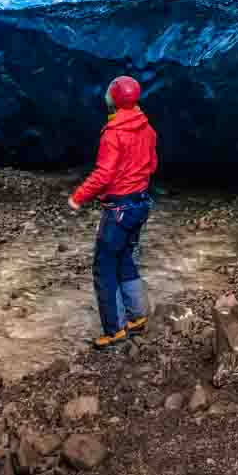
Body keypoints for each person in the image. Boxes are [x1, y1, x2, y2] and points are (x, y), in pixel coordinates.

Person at [68, 75, 157, 349]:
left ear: (115, 98)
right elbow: (152, 165)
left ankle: (114, 330)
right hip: (140, 203)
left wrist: (77, 198)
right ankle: (137, 317)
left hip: (119, 208)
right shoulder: (147, 128)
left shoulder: (114, 133)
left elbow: (104, 174)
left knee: (104, 267)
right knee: (126, 258)